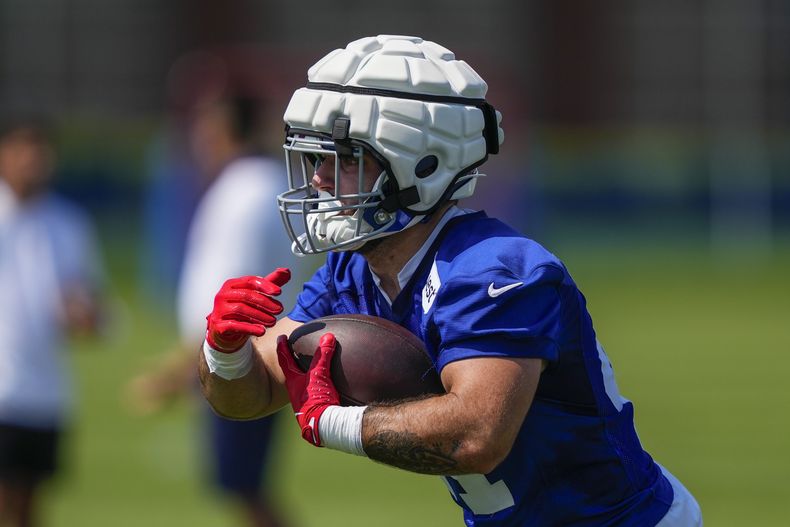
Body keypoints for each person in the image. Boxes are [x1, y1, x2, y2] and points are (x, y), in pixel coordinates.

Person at [198, 35, 703, 526]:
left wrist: (334, 423)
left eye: (343, 159)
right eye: (314, 160)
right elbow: (255, 393)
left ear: (420, 166)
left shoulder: (495, 270)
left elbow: (477, 436)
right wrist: (225, 351)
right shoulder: (353, 272)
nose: (318, 180)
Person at [128, 93, 297, 527]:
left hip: (241, 360)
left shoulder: (242, 194)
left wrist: (177, 371)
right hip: (250, 355)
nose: (199, 141)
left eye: (206, 130)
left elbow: (231, 302)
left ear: (224, 132)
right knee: (242, 486)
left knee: (245, 488)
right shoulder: (262, 184)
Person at [0, 119, 105, 526]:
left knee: (28, 505)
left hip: (44, 393)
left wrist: (86, 316)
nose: (33, 160)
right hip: (2, 389)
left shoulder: (69, 224)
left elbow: (97, 310)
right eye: (22, 149)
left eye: (40, 150)